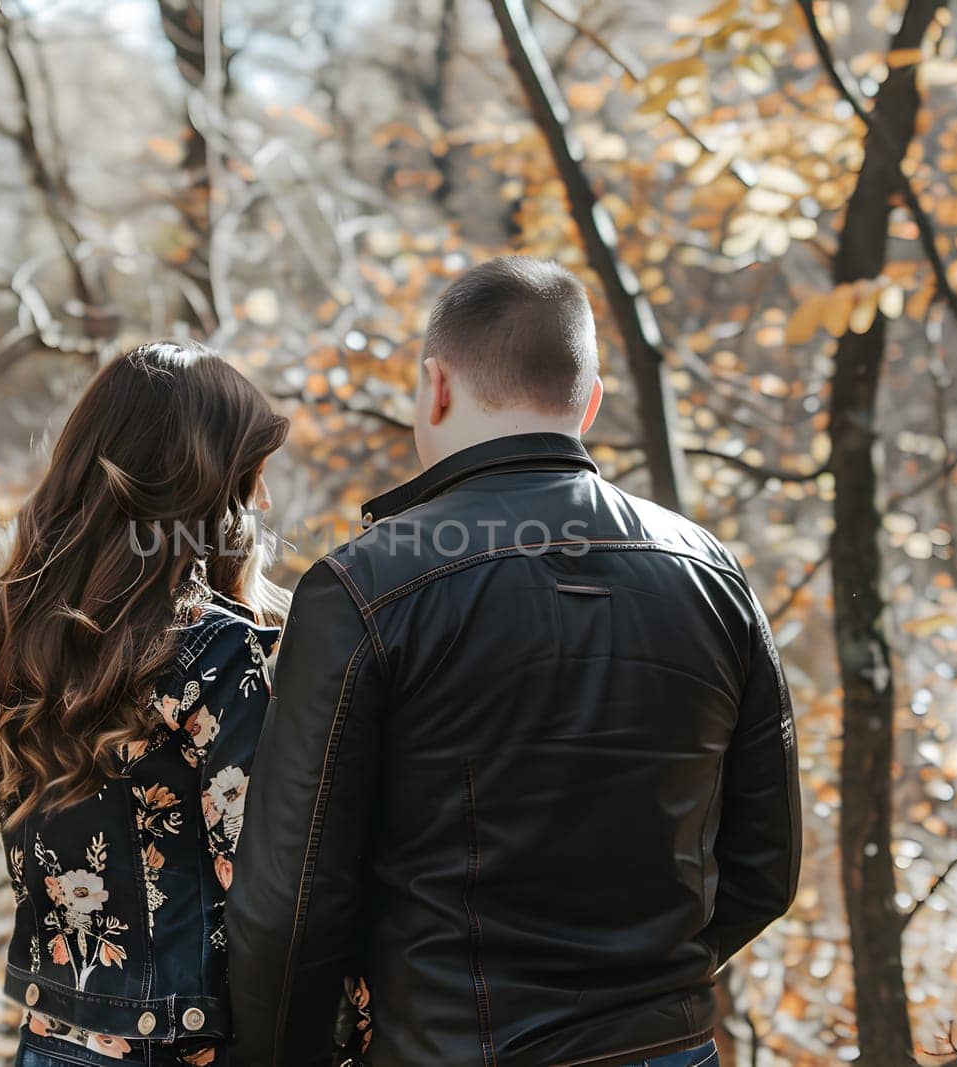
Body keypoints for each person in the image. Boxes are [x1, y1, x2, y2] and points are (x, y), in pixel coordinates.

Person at [228, 257, 802, 1067]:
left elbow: (290, 903)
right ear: (589, 402)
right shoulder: (709, 570)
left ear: (435, 386)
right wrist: (641, 996)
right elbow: (764, 866)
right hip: (667, 1049)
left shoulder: (362, 588)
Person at [0, 341, 290, 1067]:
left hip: (49, 1045)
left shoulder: (10, 638)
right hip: (184, 1050)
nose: (264, 500)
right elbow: (267, 887)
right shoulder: (215, 654)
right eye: (250, 474)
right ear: (201, 483)